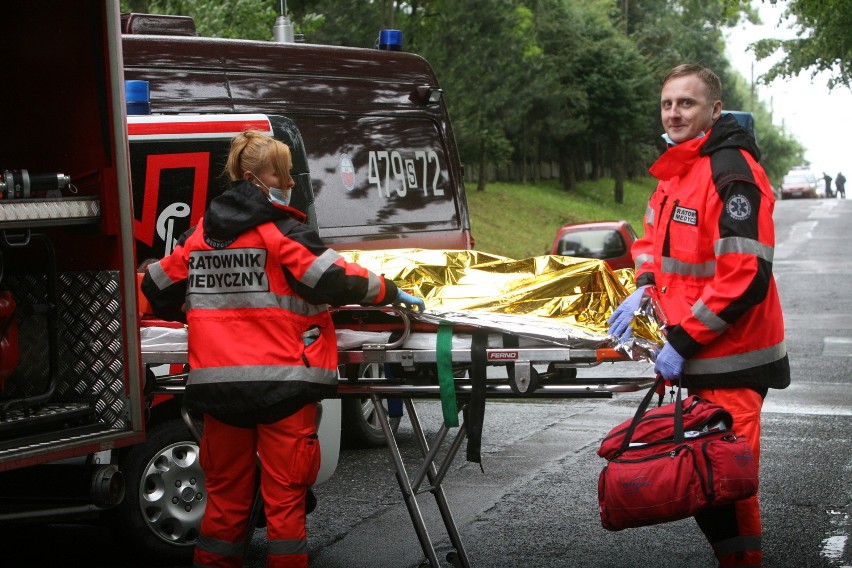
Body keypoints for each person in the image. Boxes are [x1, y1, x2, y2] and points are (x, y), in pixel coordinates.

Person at [141, 129, 425, 568]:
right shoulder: (282, 232)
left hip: (218, 392)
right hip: (282, 387)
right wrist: (389, 290)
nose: (291, 183)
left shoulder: (200, 237)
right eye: (284, 174)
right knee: (284, 507)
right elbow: (336, 278)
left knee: (223, 504)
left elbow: (155, 285)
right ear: (262, 179)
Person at [607, 64, 790, 567]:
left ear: (713, 110)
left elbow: (745, 275)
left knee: (727, 485)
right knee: (710, 482)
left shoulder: (730, 171)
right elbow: (650, 241)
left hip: (733, 358)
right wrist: (644, 286)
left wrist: (682, 341)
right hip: (701, 355)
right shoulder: (678, 168)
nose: (674, 113)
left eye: (686, 103)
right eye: (667, 103)